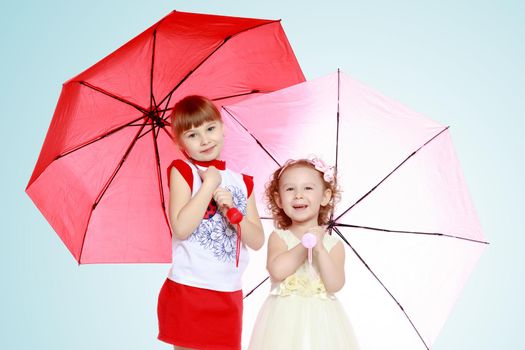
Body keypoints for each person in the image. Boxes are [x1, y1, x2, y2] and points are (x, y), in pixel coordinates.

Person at [157, 95, 265, 350]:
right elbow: (181, 229)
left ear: (222, 127)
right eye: (192, 135)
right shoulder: (182, 171)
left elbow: (257, 240)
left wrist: (234, 213)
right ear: (180, 142)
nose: (205, 140)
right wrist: (208, 186)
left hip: (228, 292)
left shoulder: (242, 182)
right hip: (189, 289)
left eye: (210, 128)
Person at [248, 157, 360, 349]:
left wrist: (319, 248)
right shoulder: (279, 237)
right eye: (290, 189)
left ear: (325, 197)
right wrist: (304, 245)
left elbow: (334, 284)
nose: (298, 195)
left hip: (323, 322)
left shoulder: (333, 245)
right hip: (283, 321)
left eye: (308, 188)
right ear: (278, 200)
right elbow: (277, 270)